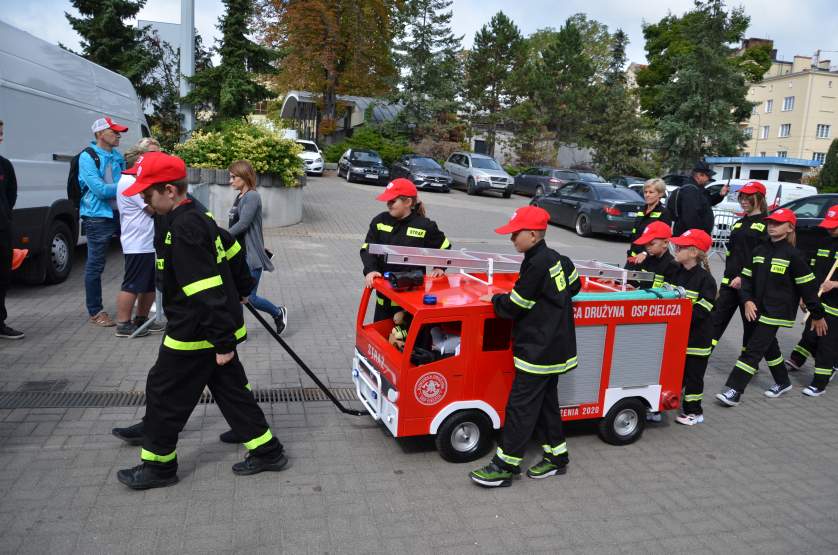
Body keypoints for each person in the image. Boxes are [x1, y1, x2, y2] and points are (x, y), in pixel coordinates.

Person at [115, 152, 287, 490]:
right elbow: (229, 246)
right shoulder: (189, 215)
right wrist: (242, 286)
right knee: (230, 389)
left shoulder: (186, 227)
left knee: (165, 392)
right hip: (210, 326)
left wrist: (223, 341)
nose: (140, 198)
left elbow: (206, 291)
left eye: (146, 192)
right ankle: (266, 450)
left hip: (198, 330)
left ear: (168, 191)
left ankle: (159, 467)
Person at [469, 206, 580, 487]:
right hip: (556, 348)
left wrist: (494, 299)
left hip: (537, 352)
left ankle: (505, 466)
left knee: (520, 407)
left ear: (532, 234)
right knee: (545, 405)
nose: (511, 240)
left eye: (515, 234)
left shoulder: (535, 263)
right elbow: (575, 285)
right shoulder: (557, 259)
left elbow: (514, 306)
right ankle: (557, 457)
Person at [716, 208, 827, 407]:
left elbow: (808, 288)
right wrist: (747, 300)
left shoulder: (794, 255)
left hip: (777, 311)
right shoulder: (759, 250)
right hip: (757, 307)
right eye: (770, 222)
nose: (772, 226)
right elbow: (746, 279)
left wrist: (817, 315)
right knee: (769, 346)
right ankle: (783, 382)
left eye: (778, 223)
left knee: (753, 349)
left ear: (790, 227)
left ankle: (734, 390)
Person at [360, 178, 451, 321]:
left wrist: (440, 267)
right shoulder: (380, 221)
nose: (388, 205)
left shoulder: (425, 226)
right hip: (383, 301)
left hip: (410, 304)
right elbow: (367, 248)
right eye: (387, 201)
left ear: (408, 202)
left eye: (392, 201)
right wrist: (371, 269)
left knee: (402, 341)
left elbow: (445, 247)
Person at [227, 160, 288, 335]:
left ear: (244, 177)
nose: (230, 181)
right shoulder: (240, 196)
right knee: (235, 295)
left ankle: (278, 312)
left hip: (250, 257)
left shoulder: (252, 196)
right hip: (238, 255)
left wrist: (222, 236)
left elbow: (244, 224)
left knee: (250, 298)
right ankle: (237, 332)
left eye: (233, 177)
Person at [784, 204, 838, 396]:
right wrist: (806, 295)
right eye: (829, 225)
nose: (830, 229)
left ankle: (820, 383)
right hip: (818, 301)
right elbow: (812, 273)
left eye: (835, 226)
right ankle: (814, 361)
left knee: (827, 344)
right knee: (810, 335)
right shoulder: (823, 243)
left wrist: (836, 284)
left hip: (836, 307)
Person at [114, 138, 165, 337]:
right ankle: (123, 323)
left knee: (149, 284)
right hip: (138, 242)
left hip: (146, 242)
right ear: (141, 157)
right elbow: (154, 209)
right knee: (133, 284)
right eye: (152, 154)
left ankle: (141, 319)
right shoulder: (131, 180)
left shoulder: (136, 178)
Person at [709, 181, 770, 352]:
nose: (743, 201)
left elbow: (761, 258)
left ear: (759, 199)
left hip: (750, 286)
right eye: (741, 197)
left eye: (748, 198)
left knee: (751, 326)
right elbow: (734, 256)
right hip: (730, 283)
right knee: (716, 320)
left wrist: (744, 277)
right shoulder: (738, 223)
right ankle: (702, 355)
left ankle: (749, 361)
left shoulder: (766, 225)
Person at [665, 229, 717, 425]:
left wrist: (678, 319)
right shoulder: (675, 273)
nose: (675, 249)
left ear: (694, 253)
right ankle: (663, 406)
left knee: (694, 378)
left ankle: (694, 412)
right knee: (674, 375)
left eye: (680, 247)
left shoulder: (706, 280)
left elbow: (702, 311)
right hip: (678, 337)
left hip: (697, 340)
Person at [80, 117, 128, 327]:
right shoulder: (87, 157)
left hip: (120, 214)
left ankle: (133, 303)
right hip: (98, 216)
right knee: (95, 265)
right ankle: (96, 311)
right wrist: (127, 185)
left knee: (135, 257)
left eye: (119, 132)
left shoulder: (116, 156)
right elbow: (99, 190)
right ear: (100, 134)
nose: (118, 135)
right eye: (114, 132)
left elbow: (118, 186)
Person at [0, 118, 23, 339]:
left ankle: (1, 322)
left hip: (2, 230)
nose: (1, 137)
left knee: (3, 277)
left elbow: (11, 195)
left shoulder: (4, 164)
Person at [671, 160, 728, 236]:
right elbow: (690, 216)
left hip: (693, 236)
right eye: (708, 176)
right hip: (689, 237)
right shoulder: (690, 190)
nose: (709, 179)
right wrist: (698, 235)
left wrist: (720, 194)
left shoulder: (698, 189)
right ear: (699, 175)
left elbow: (707, 202)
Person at [626, 178, 672, 265]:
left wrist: (645, 253)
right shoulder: (641, 210)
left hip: (648, 259)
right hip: (633, 257)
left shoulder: (664, 213)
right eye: (645, 192)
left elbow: (663, 239)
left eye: (651, 192)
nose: (647, 195)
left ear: (660, 194)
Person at [629, 221, 678, 289]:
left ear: (665, 243)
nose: (647, 247)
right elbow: (637, 281)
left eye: (652, 244)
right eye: (646, 244)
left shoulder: (672, 266)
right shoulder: (646, 260)